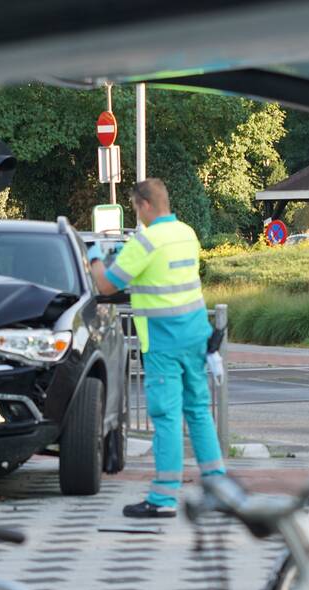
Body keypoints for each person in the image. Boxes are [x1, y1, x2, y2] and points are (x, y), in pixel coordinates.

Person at [87, 178, 225, 518]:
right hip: (196, 336)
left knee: (166, 417)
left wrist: (94, 255)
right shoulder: (186, 234)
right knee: (198, 411)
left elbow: (105, 285)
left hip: (164, 342)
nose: (138, 215)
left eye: (137, 208)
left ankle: (163, 498)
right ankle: (219, 491)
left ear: (145, 205)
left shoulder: (145, 242)